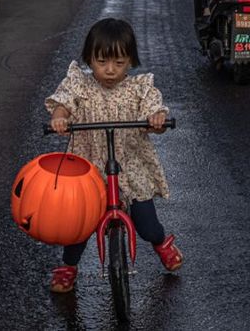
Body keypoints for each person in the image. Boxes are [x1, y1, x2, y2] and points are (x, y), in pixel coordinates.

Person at [45, 18, 183, 294]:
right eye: (101, 62)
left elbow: (154, 107)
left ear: (130, 61)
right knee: (80, 226)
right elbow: (63, 102)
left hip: (131, 168)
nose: (109, 70)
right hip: (89, 169)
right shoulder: (80, 85)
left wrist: (156, 119)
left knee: (147, 226)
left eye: (119, 63)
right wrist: (60, 118)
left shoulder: (139, 88)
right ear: (89, 59)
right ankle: (68, 267)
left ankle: (162, 243)